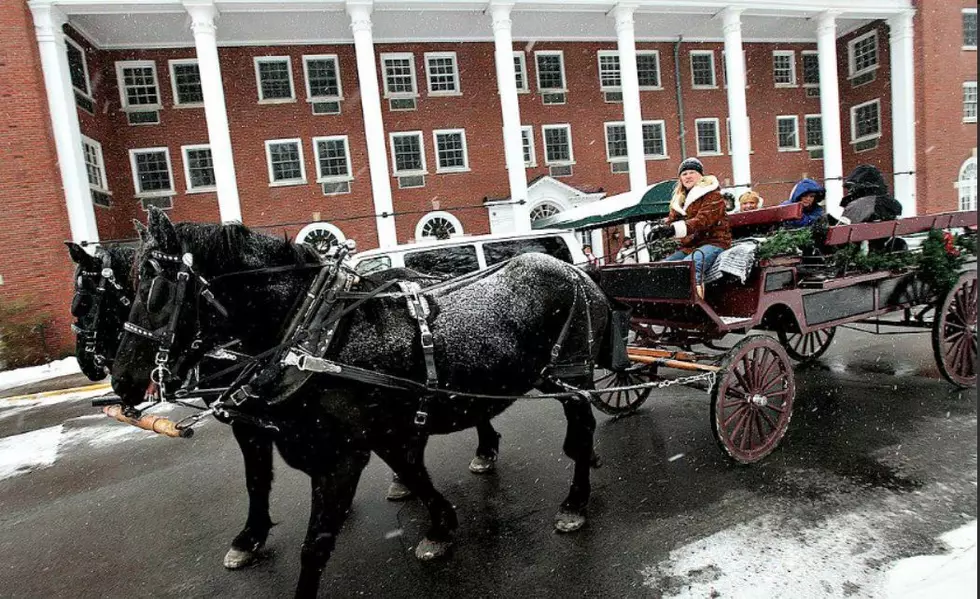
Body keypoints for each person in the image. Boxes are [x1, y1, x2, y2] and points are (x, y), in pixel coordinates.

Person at [645, 157, 732, 298]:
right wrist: (661, 230)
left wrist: (674, 229)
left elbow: (703, 220)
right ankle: (665, 301)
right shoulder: (679, 201)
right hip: (690, 246)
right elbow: (672, 220)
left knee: (690, 266)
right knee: (662, 268)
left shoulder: (713, 195)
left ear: (701, 176)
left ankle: (695, 306)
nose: (688, 176)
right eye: (684, 174)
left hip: (714, 242)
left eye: (692, 172)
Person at [838, 164, 903, 224]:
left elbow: (840, 232)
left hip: (860, 236)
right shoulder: (889, 203)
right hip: (881, 235)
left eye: (851, 187)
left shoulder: (860, 205)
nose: (850, 190)